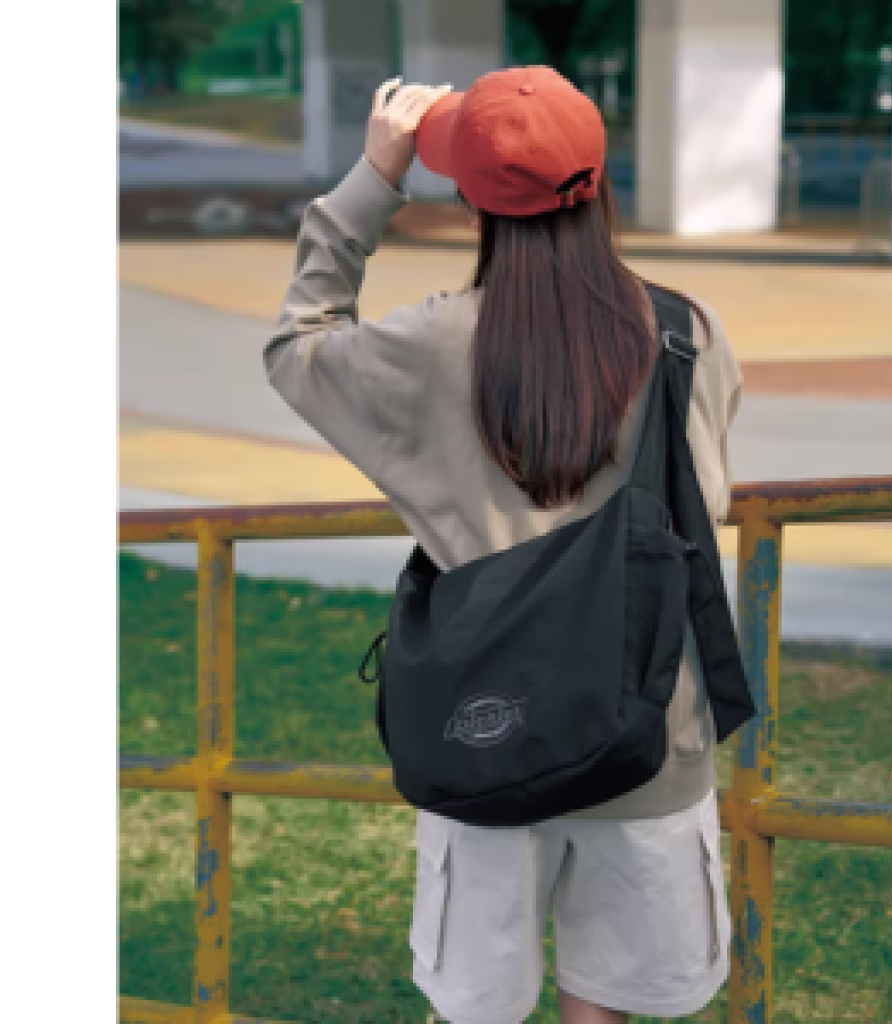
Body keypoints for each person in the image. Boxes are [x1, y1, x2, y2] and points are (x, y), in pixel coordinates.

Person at [265, 66, 741, 1024]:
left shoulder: (432, 343)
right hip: (648, 726)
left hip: (483, 725)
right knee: (607, 1007)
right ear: (599, 180)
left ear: (472, 201)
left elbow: (299, 347)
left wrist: (372, 179)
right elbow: (708, 495)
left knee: (479, 1007)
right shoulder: (684, 332)